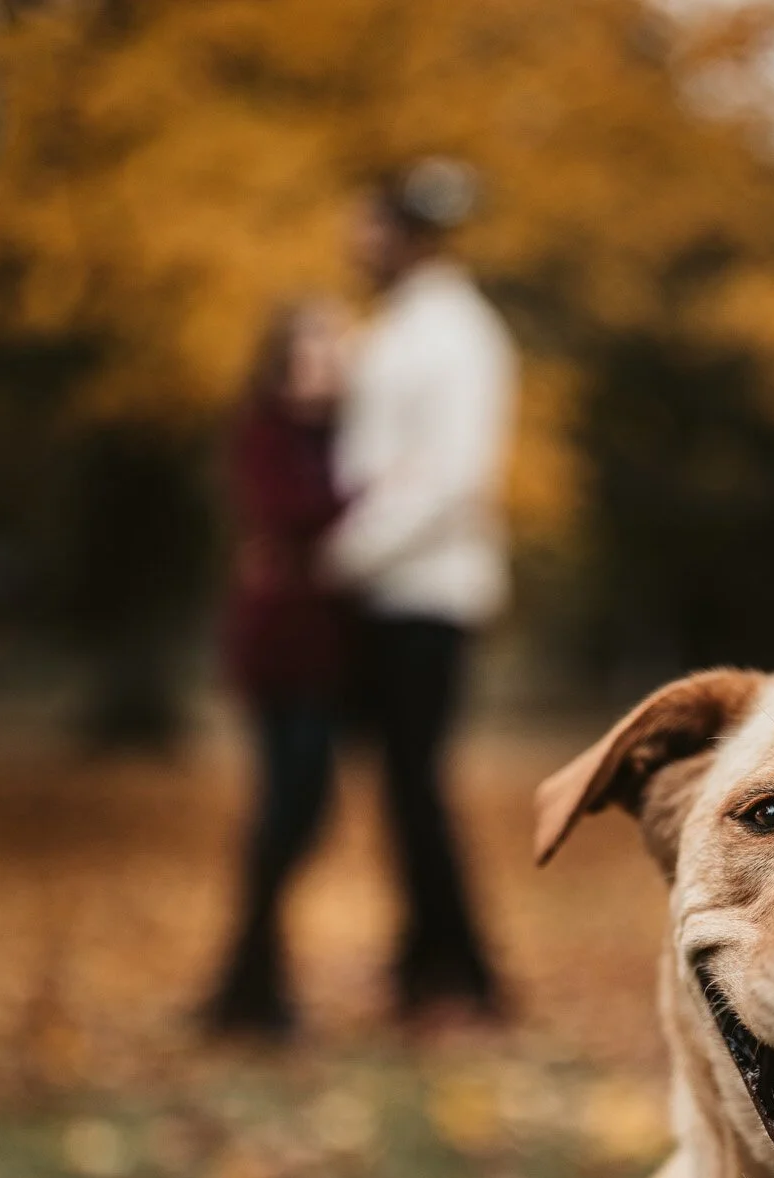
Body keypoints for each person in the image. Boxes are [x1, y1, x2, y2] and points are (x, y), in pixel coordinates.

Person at [325, 158, 516, 1020]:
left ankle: (467, 972)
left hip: (423, 593)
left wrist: (343, 554)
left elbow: (453, 477)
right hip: (382, 592)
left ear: (408, 234)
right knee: (400, 786)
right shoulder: (396, 327)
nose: (355, 240)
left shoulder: (459, 335)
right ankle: (424, 961)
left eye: (369, 224)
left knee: (416, 784)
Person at [206, 300, 352, 1036]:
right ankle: (251, 987)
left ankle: (245, 981)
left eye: (335, 350)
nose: (329, 364)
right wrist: (372, 495)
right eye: (314, 350)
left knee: (305, 812)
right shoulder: (266, 433)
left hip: (322, 654)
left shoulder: (337, 435)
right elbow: (289, 512)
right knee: (285, 812)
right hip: (276, 647)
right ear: (283, 360)